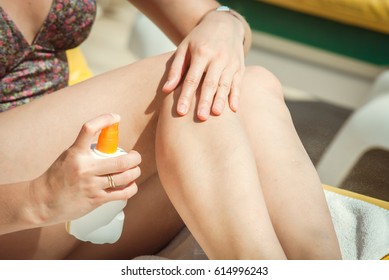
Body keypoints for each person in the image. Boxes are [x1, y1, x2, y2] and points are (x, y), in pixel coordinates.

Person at [0, 0, 342, 260]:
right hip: (17, 210)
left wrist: (224, 24)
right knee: (185, 82)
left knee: (250, 84)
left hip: (60, 218)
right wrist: (38, 198)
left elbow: (210, 18)